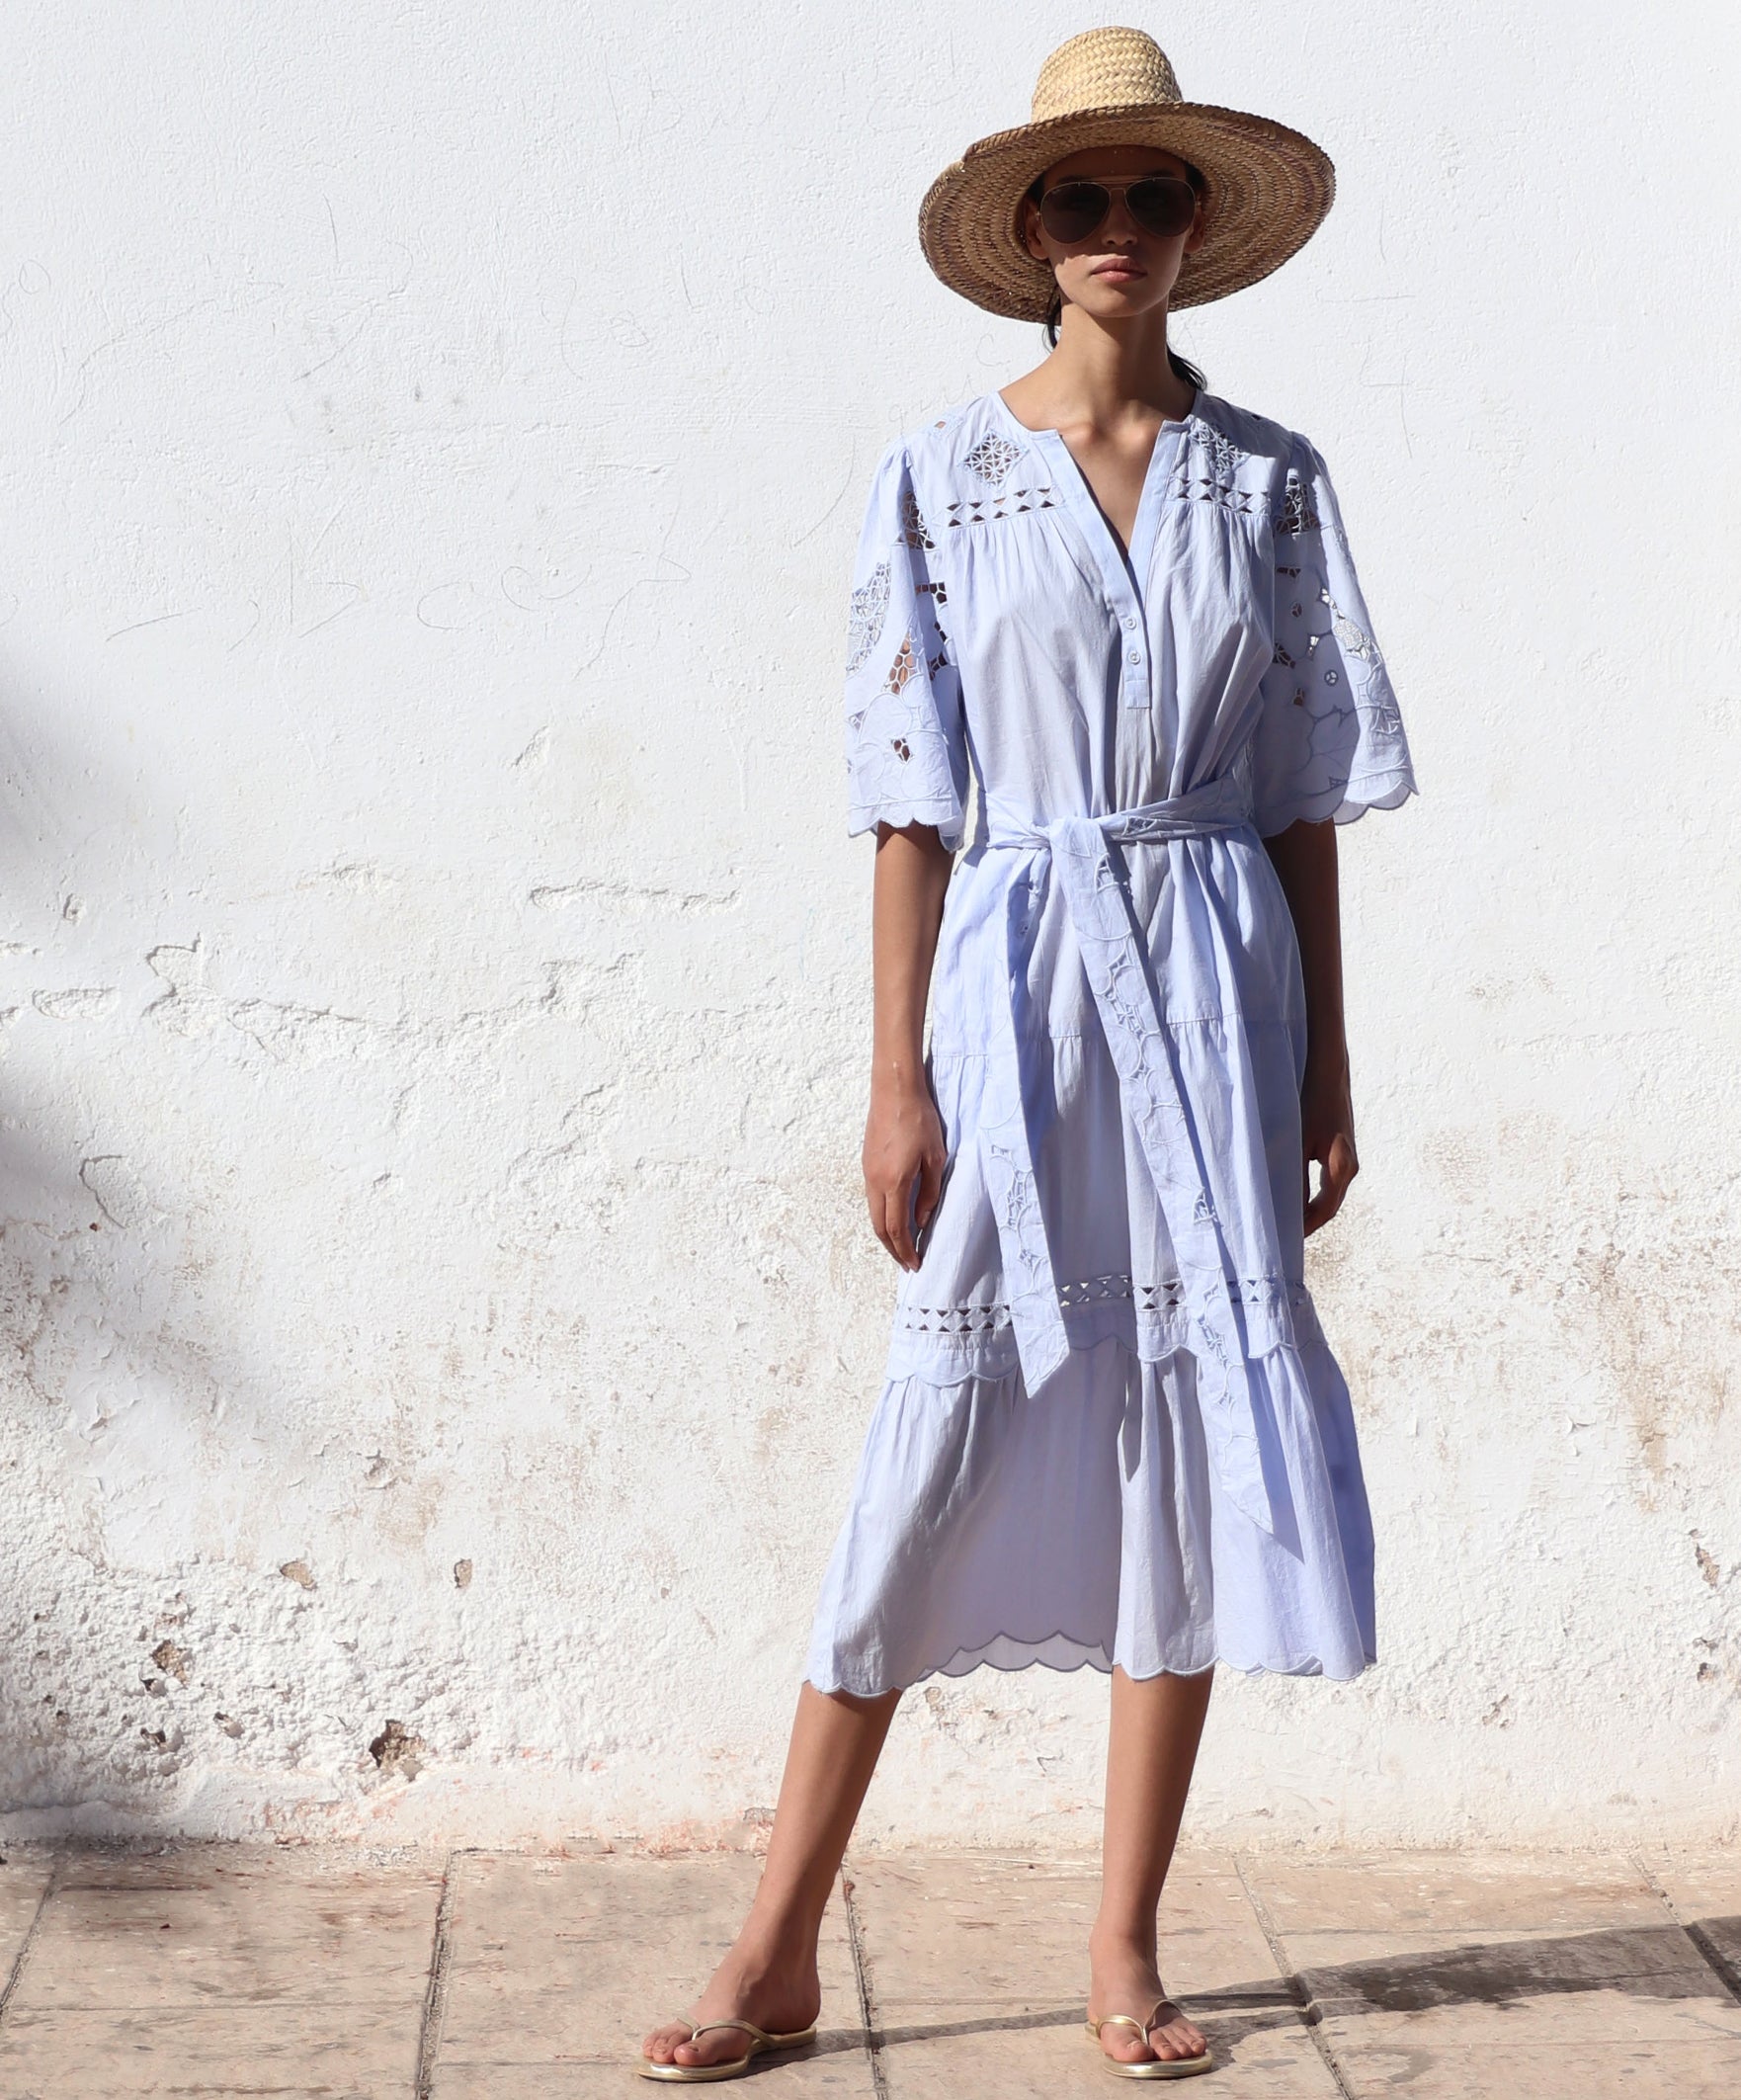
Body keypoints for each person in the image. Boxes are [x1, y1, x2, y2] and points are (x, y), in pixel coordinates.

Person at [639, 24, 1417, 2084]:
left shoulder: (1270, 482)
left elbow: (1297, 792)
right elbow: (905, 798)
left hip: (1218, 970)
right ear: (1024, 233)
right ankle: (775, 1941)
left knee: (1180, 1434)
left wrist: (1328, 1056)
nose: (1115, 229)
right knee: (935, 1429)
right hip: (1014, 975)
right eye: (1076, 199)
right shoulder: (938, 475)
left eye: (1150, 196)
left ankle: (1119, 1953)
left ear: (1193, 230)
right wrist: (890, 1074)